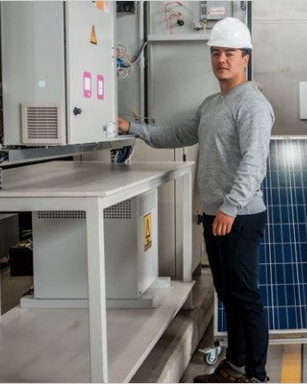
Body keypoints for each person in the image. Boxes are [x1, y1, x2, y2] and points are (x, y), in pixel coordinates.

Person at [117, 17, 274, 383]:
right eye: (216, 53)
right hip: (215, 215)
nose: (222, 60)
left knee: (246, 298)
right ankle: (235, 368)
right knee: (228, 295)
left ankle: (257, 375)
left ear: (245, 58)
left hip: (238, 216)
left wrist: (230, 208)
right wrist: (134, 129)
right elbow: (178, 134)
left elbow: (255, 162)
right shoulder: (211, 104)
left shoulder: (252, 104)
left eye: (229, 54)